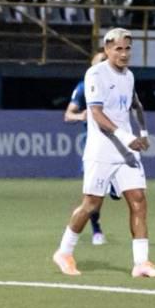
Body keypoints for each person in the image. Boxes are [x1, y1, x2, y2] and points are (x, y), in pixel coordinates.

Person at [53, 28, 155, 279]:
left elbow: (136, 105)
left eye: (127, 49)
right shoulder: (95, 74)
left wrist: (143, 133)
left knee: (138, 200)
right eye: (118, 49)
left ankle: (141, 263)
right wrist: (128, 137)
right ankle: (64, 252)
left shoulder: (129, 75)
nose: (124, 54)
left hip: (126, 152)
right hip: (102, 150)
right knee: (91, 204)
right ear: (107, 50)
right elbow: (96, 114)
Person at [62, 51, 113, 246]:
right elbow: (68, 115)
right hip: (94, 144)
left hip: (115, 141)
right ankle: (95, 229)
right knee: (95, 192)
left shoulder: (116, 86)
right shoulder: (84, 87)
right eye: (100, 62)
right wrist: (81, 116)